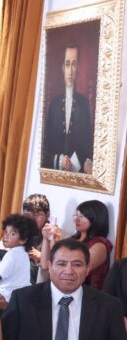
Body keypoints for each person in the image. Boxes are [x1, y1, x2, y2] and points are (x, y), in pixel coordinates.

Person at [42, 44, 94, 173]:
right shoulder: (54, 104)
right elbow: (44, 149)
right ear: (62, 68)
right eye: (67, 64)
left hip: (77, 174)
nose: (70, 71)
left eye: (74, 64)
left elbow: (88, 148)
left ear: (78, 68)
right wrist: (59, 160)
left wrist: (87, 162)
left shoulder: (84, 105)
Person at [43, 200, 111, 290]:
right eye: (76, 216)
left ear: (95, 218)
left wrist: (59, 242)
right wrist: (46, 239)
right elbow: (45, 265)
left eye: (82, 216)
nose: (76, 219)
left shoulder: (99, 245)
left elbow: (75, 270)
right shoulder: (73, 239)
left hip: (86, 294)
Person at [0, 214, 35, 304]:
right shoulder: (24, 254)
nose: (6, 236)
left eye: (12, 234)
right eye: (5, 232)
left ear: (23, 239)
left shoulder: (12, 254)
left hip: (4, 295)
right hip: (19, 297)